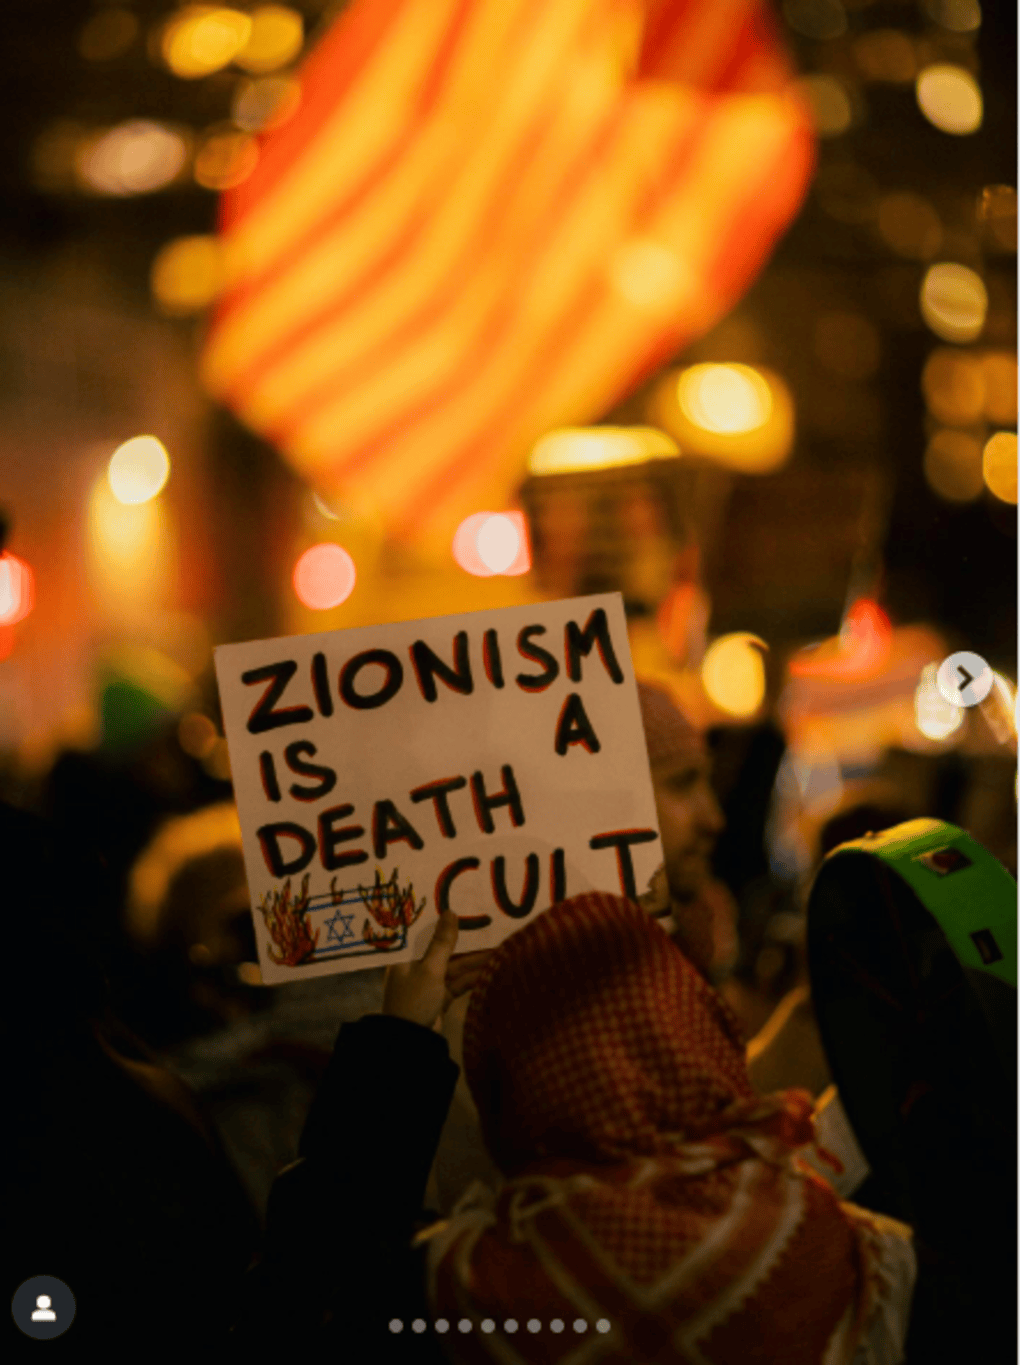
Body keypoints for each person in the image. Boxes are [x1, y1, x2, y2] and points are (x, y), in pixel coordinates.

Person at [237, 899, 916, 1363]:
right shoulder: (848, 1254)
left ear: (511, 1090)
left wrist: (397, 1044)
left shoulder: (467, 1292)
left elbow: (304, 1306)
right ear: (704, 1034)